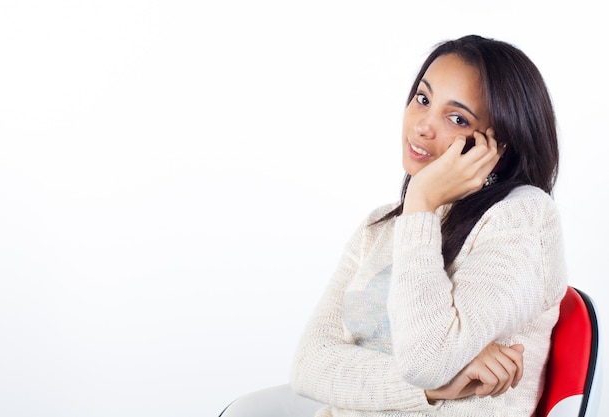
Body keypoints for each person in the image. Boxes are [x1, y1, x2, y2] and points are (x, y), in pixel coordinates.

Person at [219, 34, 567, 417]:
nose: (422, 126)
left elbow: (426, 360)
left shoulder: (521, 218)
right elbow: (310, 364)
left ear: (500, 147)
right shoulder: (380, 227)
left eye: (456, 118)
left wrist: (420, 202)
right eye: (422, 99)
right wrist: (431, 390)